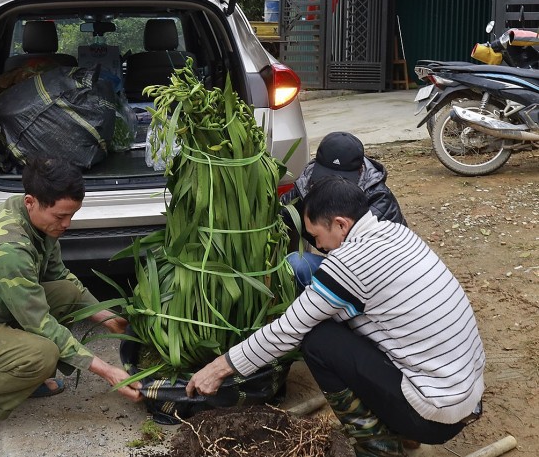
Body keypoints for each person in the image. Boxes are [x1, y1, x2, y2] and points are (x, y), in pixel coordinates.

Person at [186, 177, 485, 457]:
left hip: (434, 415)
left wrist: (218, 368)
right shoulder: (395, 232)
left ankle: (378, 447)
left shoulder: (351, 263)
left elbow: (286, 330)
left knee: (318, 340)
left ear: (341, 224)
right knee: (331, 322)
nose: (318, 247)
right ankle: (401, 431)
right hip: (466, 398)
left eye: (317, 236)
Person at [0, 157, 142, 448]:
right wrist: (109, 371)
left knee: (66, 293)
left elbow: (60, 277)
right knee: (42, 354)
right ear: (30, 202)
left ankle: (19, 375)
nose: (66, 224)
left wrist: (109, 318)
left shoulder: (36, 221)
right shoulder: (9, 247)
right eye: (60, 216)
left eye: (71, 215)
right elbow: (40, 323)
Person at [281, 131, 407, 289]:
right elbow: (282, 212)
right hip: (340, 264)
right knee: (296, 264)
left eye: (342, 178)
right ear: (316, 167)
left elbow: (385, 265)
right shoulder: (307, 186)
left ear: (361, 170)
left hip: (370, 277)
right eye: (325, 177)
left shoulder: (379, 201)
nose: (331, 186)